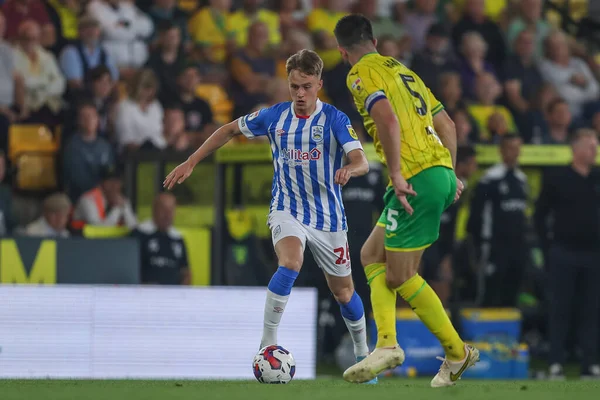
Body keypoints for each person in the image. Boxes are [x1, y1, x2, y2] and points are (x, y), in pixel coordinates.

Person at [164, 49, 374, 382]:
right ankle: (268, 341)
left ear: (319, 84)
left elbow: (361, 159)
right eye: (294, 87)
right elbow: (228, 130)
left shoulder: (335, 119)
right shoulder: (274, 116)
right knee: (290, 262)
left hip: (328, 218)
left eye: (306, 86)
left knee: (344, 293)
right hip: (286, 208)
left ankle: (363, 354)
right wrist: (191, 161)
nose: (300, 94)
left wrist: (351, 169)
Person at [334, 14, 478, 387]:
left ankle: (455, 351)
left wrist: (396, 173)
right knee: (370, 254)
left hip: (414, 176)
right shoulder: (405, 71)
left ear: (342, 51)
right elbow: (447, 124)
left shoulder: (359, 74)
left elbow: (386, 119)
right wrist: (450, 172)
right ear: (376, 41)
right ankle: (387, 343)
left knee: (400, 275)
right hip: (438, 173)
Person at [534, 128, 600, 380]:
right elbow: (540, 215)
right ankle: (555, 363)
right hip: (564, 252)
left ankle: (589, 363)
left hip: (594, 253)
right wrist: (547, 247)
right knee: (560, 308)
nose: (594, 151)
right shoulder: (557, 177)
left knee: (591, 310)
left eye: (596, 146)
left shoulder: (597, 178)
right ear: (576, 149)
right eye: (591, 146)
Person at [467, 134, 529, 307]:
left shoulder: (521, 180)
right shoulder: (489, 180)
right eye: (511, 148)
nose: (515, 153)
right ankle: (485, 332)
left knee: (514, 290)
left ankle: (509, 332)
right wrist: (479, 244)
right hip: (494, 246)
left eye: (518, 148)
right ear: (501, 151)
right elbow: (476, 215)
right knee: (490, 291)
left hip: (517, 246)